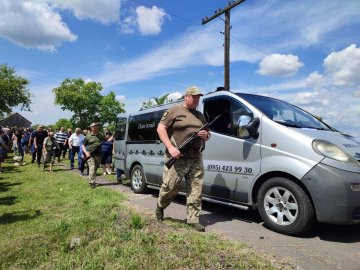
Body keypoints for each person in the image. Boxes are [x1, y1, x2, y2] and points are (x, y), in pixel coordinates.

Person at [155, 86, 211, 232]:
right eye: (194, 97)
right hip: (177, 156)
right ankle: (161, 205)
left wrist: (206, 136)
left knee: (196, 189)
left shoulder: (200, 115)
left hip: (195, 157)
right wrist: (170, 148)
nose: (196, 99)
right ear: (186, 96)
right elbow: (160, 129)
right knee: (171, 187)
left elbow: (208, 135)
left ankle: (193, 219)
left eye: (198, 97)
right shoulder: (175, 110)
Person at [82, 123, 104, 188]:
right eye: (94, 127)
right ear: (91, 128)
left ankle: (92, 179)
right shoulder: (88, 136)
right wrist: (86, 153)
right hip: (90, 154)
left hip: (99, 154)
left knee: (95, 168)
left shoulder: (101, 135)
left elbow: (107, 140)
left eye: (97, 127)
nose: (96, 128)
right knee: (92, 167)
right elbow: (83, 145)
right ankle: (92, 182)